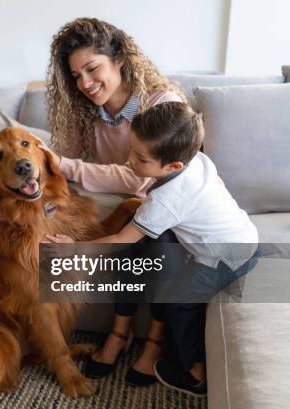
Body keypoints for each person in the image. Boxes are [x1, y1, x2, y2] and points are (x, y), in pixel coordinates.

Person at [45, 101, 259, 396]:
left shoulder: (165, 202)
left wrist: (74, 248)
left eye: (141, 159)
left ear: (173, 167)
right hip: (245, 236)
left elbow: (122, 240)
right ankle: (125, 334)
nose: (130, 161)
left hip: (224, 257)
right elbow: (216, 181)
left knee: (179, 303)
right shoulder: (198, 160)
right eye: (131, 150)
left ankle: (195, 371)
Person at [43, 17, 187, 386]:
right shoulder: (86, 112)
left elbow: (143, 176)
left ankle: (152, 341)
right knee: (127, 223)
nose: (85, 84)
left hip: (170, 208)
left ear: (120, 59)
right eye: (76, 76)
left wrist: (67, 166)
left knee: (158, 237)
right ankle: (120, 334)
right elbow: (66, 173)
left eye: (92, 69)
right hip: (127, 209)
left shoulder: (160, 104)